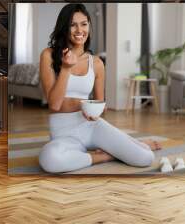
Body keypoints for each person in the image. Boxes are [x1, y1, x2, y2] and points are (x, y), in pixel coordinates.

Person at [38, 3, 161, 173]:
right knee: (49, 159)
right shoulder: (48, 55)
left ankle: (135, 144)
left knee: (145, 158)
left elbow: (99, 103)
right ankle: (105, 156)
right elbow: (54, 105)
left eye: (84, 24)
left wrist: (95, 112)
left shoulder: (96, 63)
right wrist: (66, 69)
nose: (79, 30)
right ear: (64, 27)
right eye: (72, 25)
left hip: (91, 127)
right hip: (63, 131)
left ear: (89, 25)